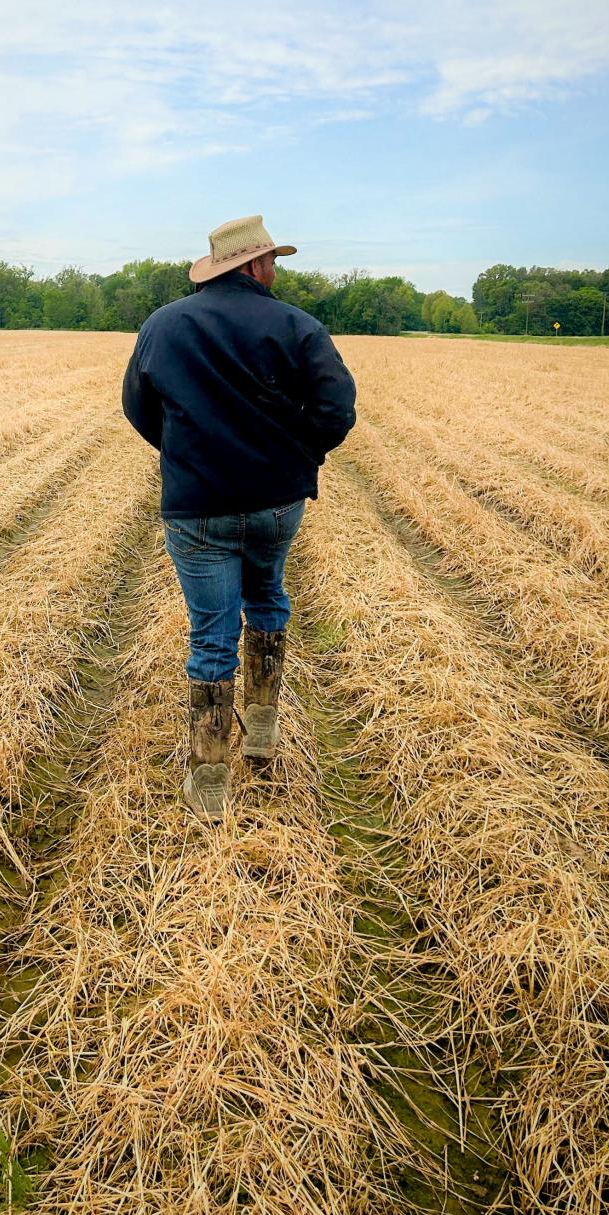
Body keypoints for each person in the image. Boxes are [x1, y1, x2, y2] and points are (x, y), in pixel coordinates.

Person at [121, 214, 357, 822]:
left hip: (196, 509)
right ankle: (261, 732)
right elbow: (337, 408)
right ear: (252, 266)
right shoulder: (297, 325)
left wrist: (185, 456)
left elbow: (137, 406)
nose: (275, 271)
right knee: (269, 598)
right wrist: (297, 456)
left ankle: (209, 781)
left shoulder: (163, 325)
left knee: (210, 634)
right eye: (272, 261)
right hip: (276, 506)